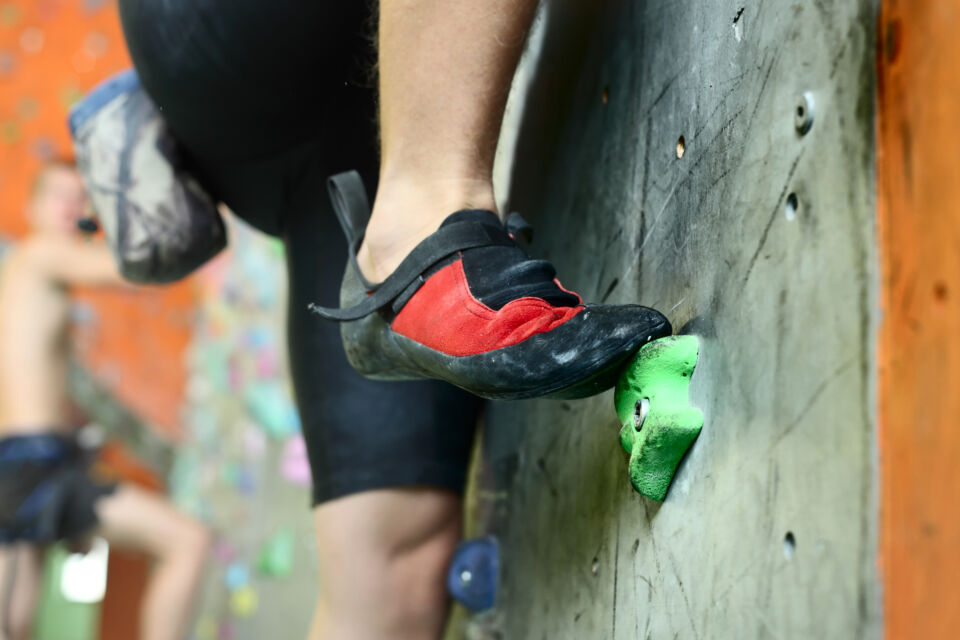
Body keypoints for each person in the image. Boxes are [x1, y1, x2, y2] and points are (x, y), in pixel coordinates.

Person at [96, 1, 670, 638]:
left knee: (392, 575)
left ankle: (405, 250)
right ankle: (424, 217)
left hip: (273, 122)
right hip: (242, 32)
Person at [0, 161, 210, 640]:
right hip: (31, 464)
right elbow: (131, 269)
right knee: (187, 542)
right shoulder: (40, 255)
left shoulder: (26, 278)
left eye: (81, 197)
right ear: (32, 207)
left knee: (13, 627)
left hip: (30, 464)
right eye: (58, 195)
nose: (71, 207)